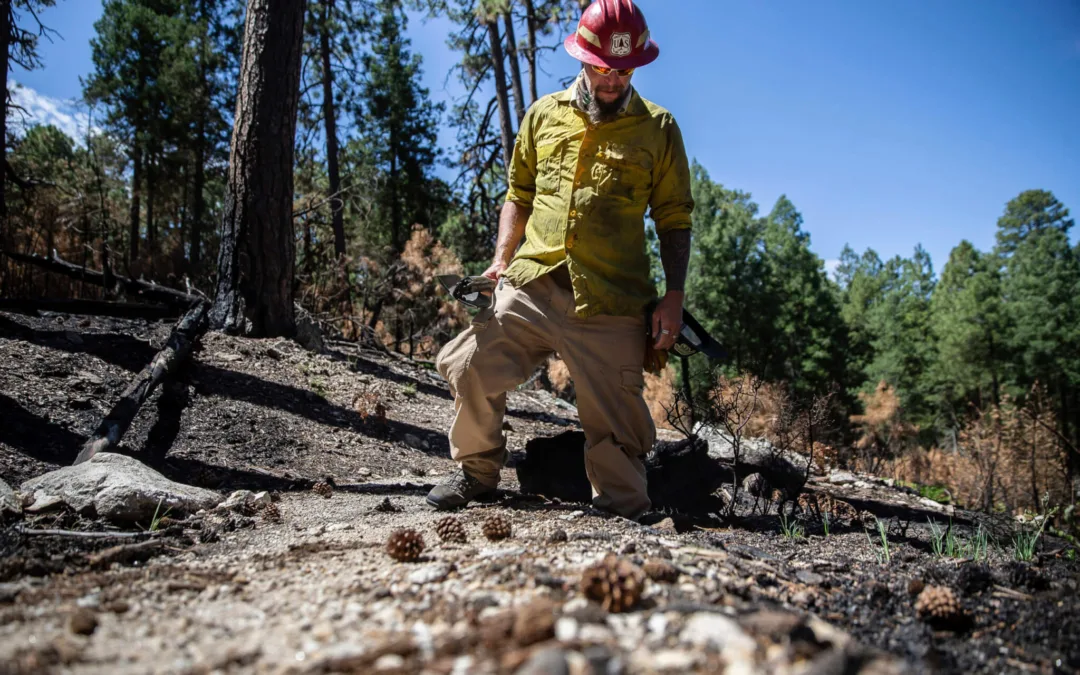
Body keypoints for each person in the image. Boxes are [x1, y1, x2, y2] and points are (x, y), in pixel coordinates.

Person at [427, 0, 693, 521]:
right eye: (602, 67)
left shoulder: (659, 129)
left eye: (624, 69)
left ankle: (621, 514)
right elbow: (518, 192)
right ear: (581, 57)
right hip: (532, 284)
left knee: (618, 424)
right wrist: (502, 259)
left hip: (612, 299)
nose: (613, 80)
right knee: (468, 364)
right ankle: (477, 472)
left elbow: (674, 217)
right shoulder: (543, 114)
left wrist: (675, 296)